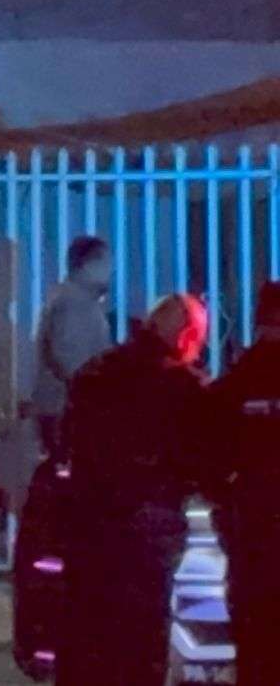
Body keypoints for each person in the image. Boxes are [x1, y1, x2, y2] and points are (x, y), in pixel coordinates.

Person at [58, 293, 210, 686]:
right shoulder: (184, 386)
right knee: (142, 637)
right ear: (187, 337)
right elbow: (201, 459)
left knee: (89, 629)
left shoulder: (95, 372)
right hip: (149, 526)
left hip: (89, 523)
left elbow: (69, 440)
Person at [203, 281, 280, 685]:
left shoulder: (238, 379)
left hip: (251, 519)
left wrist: (223, 499)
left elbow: (209, 451)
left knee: (253, 631)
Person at [29, 236, 114, 458]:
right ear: (85, 264)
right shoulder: (74, 304)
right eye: (103, 261)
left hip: (67, 408)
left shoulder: (73, 301)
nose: (109, 269)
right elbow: (68, 360)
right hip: (67, 410)